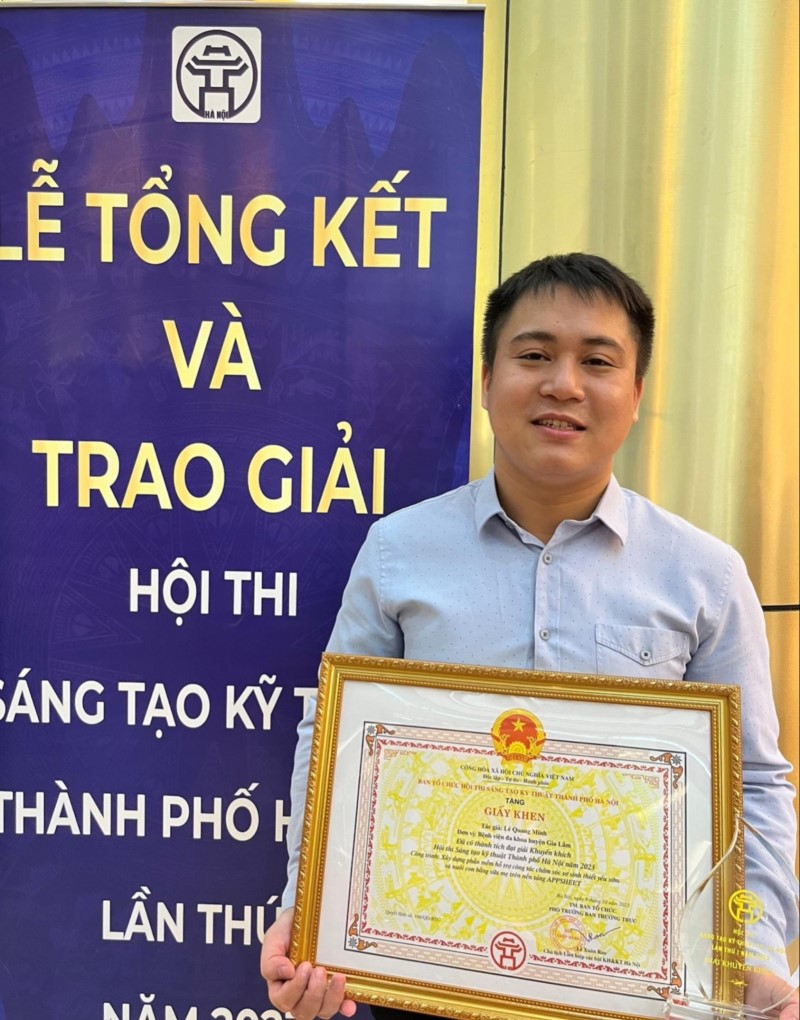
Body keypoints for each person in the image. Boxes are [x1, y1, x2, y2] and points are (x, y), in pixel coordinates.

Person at [261, 253, 798, 1020]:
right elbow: (334, 743)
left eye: (598, 361)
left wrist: (752, 951)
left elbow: (753, 786)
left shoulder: (704, 576)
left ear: (637, 394)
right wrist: (310, 912)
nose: (564, 385)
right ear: (487, 381)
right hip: (431, 983)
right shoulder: (397, 551)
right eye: (535, 355)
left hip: (634, 992)